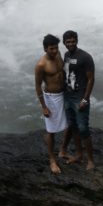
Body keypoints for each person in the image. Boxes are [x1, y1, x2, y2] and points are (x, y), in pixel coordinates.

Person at [59, 30, 95, 170]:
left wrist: (85, 99)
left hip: (80, 97)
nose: (70, 44)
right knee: (73, 126)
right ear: (64, 43)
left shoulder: (85, 57)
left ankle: (91, 160)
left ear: (77, 41)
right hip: (68, 96)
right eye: (68, 42)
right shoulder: (67, 55)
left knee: (83, 128)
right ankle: (79, 154)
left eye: (73, 41)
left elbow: (91, 79)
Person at [34, 34, 68, 174]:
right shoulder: (41, 65)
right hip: (51, 97)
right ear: (45, 49)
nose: (54, 51)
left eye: (56, 48)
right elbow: (37, 86)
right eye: (51, 49)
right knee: (51, 131)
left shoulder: (58, 54)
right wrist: (44, 107)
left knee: (70, 124)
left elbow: (63, 73)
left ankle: (62, 150)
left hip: (64, 93)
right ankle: (52, 160)